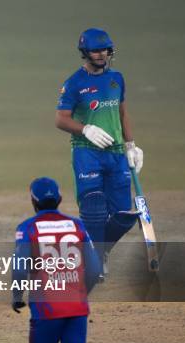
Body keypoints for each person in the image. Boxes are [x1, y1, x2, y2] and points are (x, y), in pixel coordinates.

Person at [55, 28, 143, 278]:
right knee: (93, 209)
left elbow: (122, 113)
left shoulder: (117, 79)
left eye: (105, 49)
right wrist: (86, 129)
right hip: (87, 151)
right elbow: (61, 120)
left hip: (116, 152)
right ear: (85, 52)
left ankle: (97, 252)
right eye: (96, 50)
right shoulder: (74, 83)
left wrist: (131, 146)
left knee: (124, 214)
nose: (102, 54)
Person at [12, 177, 101, 343]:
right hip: (77, 308)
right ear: (59, 199)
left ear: (34, 202)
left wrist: (17, 297)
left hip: (47, 309)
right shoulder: (77, 225)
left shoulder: (27, 228)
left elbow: (20, 269)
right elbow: (95, 269)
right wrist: (80, 293)